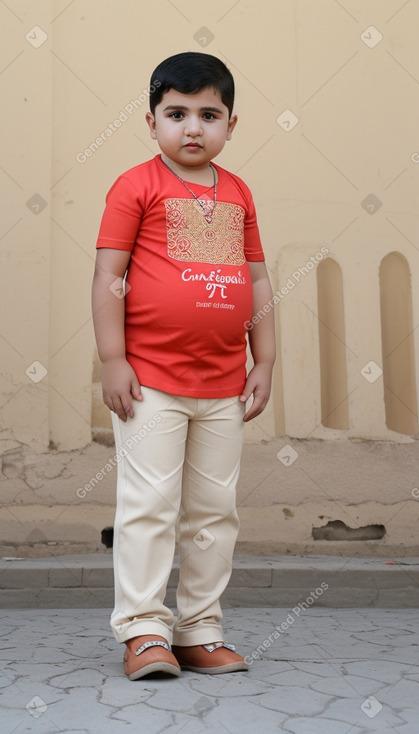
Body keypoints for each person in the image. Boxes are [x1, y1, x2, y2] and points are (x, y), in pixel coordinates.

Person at [92, 51, 276, 680]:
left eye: (208, 114)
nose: (192, 128)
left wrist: (265, 358)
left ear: (229, 125)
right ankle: (144, 630)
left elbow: (256, 278)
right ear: (152, 122)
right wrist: (113, 359)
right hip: (150, 384)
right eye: (176, 113)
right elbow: (108, 276)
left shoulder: (240, 193)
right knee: (149, 503)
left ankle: (199, 629)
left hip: (223, 383)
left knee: (212, 510)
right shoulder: (135, 186)